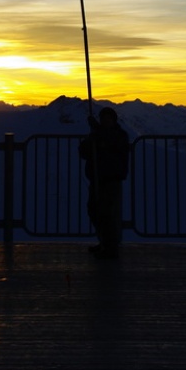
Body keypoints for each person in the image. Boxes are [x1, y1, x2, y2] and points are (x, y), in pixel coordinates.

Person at [79, 106, 130, 258]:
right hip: (97, 179)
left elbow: (112, 143)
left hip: (111, 179)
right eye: (103, 119)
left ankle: (111, 247)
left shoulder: (119, 135)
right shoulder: (97, 134)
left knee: (108, 213)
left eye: (109, 118)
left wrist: (97, 131)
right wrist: (90, 140)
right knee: (94, 210)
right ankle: (104, 242)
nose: (106, 121)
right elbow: (84, 152)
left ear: (114, 120)